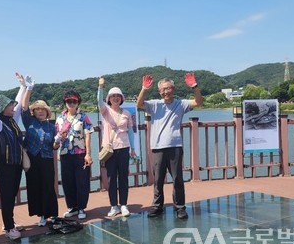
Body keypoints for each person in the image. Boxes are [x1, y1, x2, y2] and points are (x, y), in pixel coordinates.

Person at [136, 73, 203, 220]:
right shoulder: (154, 104)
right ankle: (157, 206)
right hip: (158, 147)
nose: (166, 92)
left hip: (175, 146)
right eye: (163, 89)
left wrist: (194, 86)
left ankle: (179, 207)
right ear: (159, 91)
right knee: (158, 179)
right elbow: (139, 104)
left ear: (173, 89)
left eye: (169, 88)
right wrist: (144, 89)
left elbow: (198, 102)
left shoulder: (180, 104)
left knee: (177, 179)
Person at [0, 73, 27, 240]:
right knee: (7, 196)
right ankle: (9, 228)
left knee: (13, 193)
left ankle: (9, 223)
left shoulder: (12, 120)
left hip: (16, 164)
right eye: (9, 105)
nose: (13, 107)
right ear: (2, 107)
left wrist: (23, 86)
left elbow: (18, 104)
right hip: (5, 166)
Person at [19, 74, 59, 227]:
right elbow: (23, 106)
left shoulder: (51, 126)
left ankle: (53, 214)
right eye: (37, 109)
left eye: (43, 109)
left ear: (47, 112)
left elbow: (55, 146)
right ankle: (41, 215)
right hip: (32, 159)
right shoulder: (29, 121)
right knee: (35, 186)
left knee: (49, 186)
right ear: (33, 112)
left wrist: (56, 143)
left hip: (47, 159)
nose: (40, 111)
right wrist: (29, 88)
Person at [97, 76, 136, 217]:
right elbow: (98, 101)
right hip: (110, 149)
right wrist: (100, 87)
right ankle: (114, 205)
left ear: (121, 98)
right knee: (111, 178)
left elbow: (130, 132)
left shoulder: (126, 113)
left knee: (124, 177)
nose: (115, 98)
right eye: (112, 96)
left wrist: (133, 149)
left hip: (124, 148)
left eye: (118, 96)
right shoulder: (105, 111)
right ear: (108, 98)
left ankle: (124, 205)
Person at [55, 90, 94, 220]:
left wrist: (88, 154)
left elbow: (87, 136)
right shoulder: (60, 119)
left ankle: (81, 207)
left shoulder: (83, 117)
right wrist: (59, 138)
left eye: (74, 101)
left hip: (80, 154)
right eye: (69, 101)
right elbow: (56, 137)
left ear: (78, 102)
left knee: (82, 182)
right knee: (67, 182)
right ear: (65, 103)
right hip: (65, 154)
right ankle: (72, 207)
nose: (71, 103)